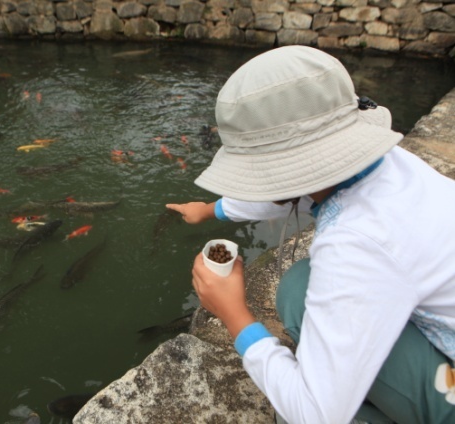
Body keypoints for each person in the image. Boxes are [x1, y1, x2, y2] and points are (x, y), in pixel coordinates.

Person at [166, 46, 455, 424]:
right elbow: (291, 195)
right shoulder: (385, 167)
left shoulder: (354, 241)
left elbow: (314, 414)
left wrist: (234, 315)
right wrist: (209, 210)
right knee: (299, 287)